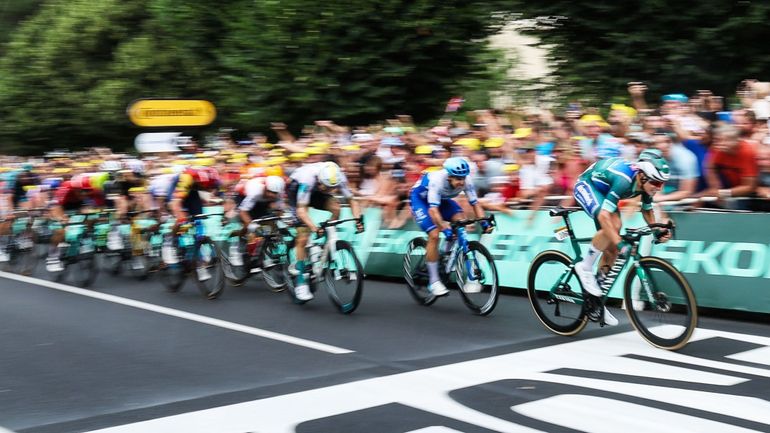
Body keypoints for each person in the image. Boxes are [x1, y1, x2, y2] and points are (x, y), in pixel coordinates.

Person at [572, 150, 673, 326]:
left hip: (603, 191)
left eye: (662, 184)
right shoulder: (624, 179)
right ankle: (585, 266)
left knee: (611, 250)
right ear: (642, 176)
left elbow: (647, 210)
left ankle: (595, 301)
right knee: (614, 227)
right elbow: (604, 216)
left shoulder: (647, 183)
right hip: (587, 185)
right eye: (656, 182)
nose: (658, 187)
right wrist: (620, 243)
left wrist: (657, 231)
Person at [409, 157, 493, 296]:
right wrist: (444, 227)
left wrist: (483, 222)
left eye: (463, 178)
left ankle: (444, 255)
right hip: (421, 200)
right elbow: (433, 211)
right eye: (457, 179)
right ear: (449, 176)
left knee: (460, 221)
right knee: (435, 234)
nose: (461, 182)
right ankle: (434, 282)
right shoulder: (437, 180)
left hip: (442, 200)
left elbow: (475, 203)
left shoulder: (466, 181)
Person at [287, 161, 364, 302]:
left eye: (333, 188)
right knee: (303, 235)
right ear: (319, 180)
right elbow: (301, 210)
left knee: (336, 207)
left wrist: (358, 219)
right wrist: (314, 228)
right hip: (296, 189)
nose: (330, 191)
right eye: (328, 187)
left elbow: (352, 201)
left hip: (317, 190)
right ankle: (300, 281)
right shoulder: (307, 179)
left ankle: (327, 244)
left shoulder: (338, 176)